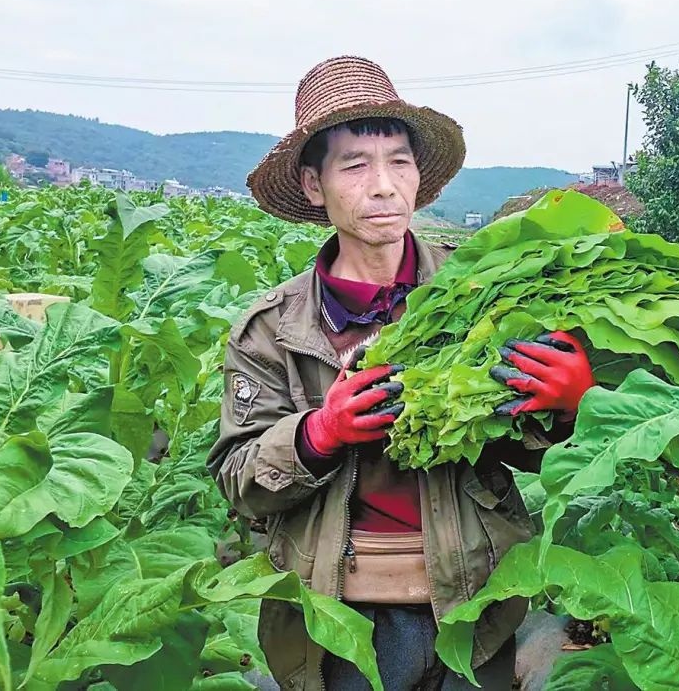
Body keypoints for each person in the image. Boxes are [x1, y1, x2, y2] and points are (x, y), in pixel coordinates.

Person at [207, 56, 595, 691]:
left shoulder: (485, 291)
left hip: (477, 599)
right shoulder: (270, 329)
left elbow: (531, 454)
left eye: (399, 161)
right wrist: (320, 433)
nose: (383, 185)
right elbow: (238, 479)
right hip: (335, 612)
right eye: (355, 165)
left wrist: (569, 403)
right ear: (314, 184)